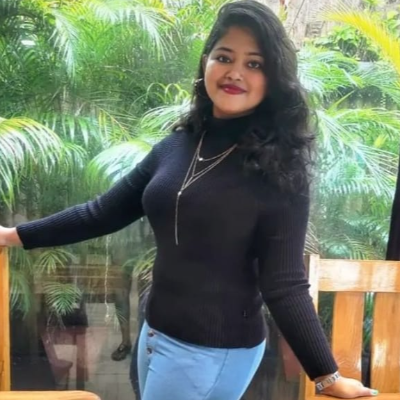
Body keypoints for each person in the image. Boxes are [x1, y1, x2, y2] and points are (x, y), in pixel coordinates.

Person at [0, 2, 379, 400]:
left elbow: (284, 282)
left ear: (274, 79)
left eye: (254, 64)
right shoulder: (178, 146)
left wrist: (326, 375)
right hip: (155, 333)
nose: (234, 72)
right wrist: (12, 235)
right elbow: (103, 212)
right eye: (224, 57)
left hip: (209, 351)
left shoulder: (281, 171)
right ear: (205, 63)